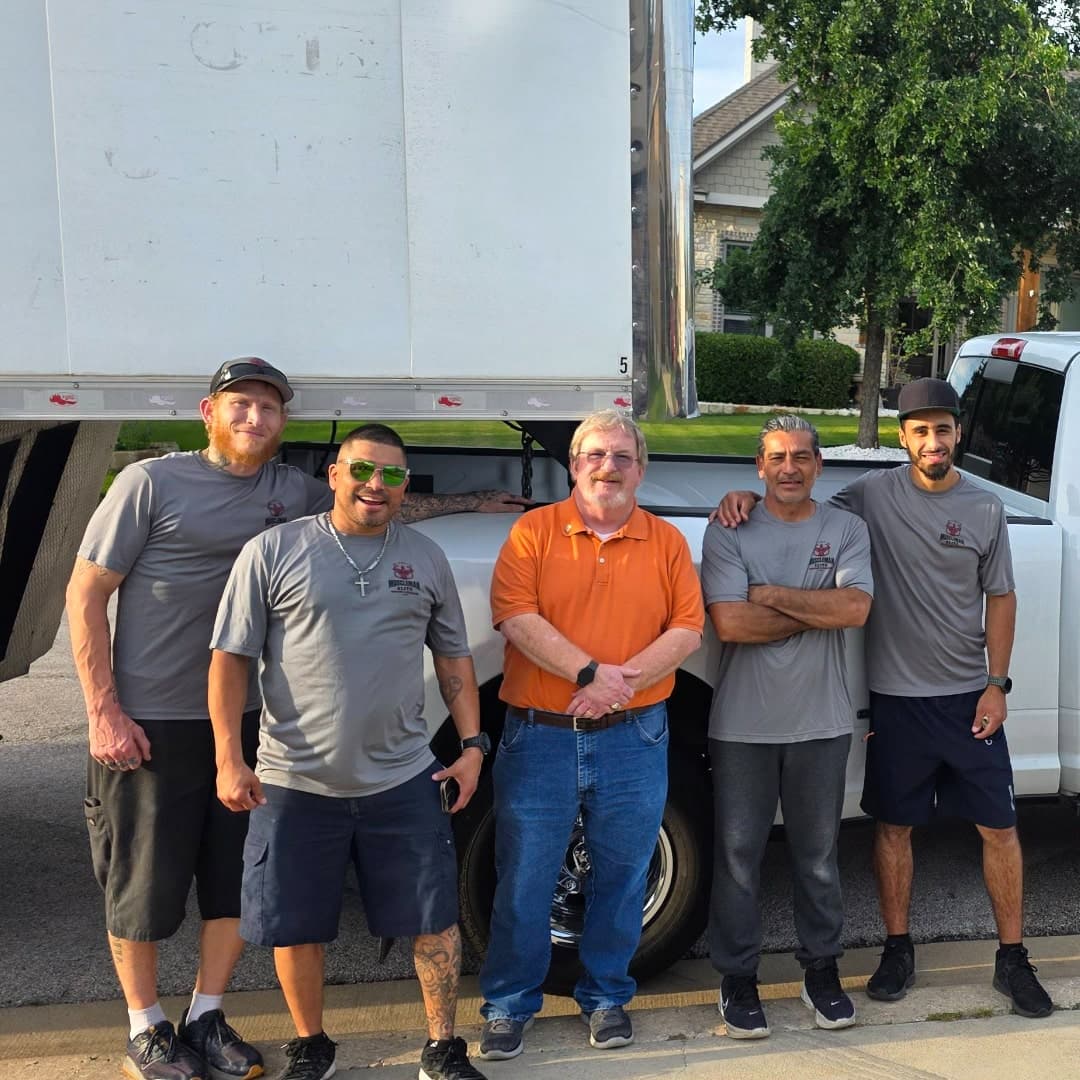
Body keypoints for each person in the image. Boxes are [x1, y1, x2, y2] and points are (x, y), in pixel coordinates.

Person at [67, 358, 528, 1080]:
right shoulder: (149, 484)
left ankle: (206, 1013)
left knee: (231, 882)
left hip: (260, 720)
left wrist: (476, 498)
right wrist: (104, 711)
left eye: (269, 408)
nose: (255, 418)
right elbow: (85, 594)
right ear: (208, 412)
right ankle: (145, 1025)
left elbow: (380, 502)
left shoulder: (293, 492)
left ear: (287, 424)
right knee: (142, 881)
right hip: (153, 714)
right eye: (240, 405)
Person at [713, 379, 1053, 1020]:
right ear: (902, 438)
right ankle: (898, 951)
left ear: (958, 435)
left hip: (967, 698)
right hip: (895, 700)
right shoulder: (867, 497)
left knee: (1000, 828)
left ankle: (1013, 959)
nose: (933, 441)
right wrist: (738, 497)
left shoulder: (983, 510)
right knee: (894, 829)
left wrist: (997, 683)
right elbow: (793, 498)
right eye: (920, 430)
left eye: (943, 429)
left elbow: (1000, 596)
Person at [208, 423, 489, 1080]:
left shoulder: (423, 558)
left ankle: (442, 1049)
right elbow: (229, 660)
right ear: (334, 475)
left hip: (403, 777)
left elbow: (453, 658)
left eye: (393, 475)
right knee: (296, 925)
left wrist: (473, 745)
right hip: (294, 781)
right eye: (362, 470)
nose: (377, 485)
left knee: (434, 919)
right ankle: (312, 1045)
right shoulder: (273, 551)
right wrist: (229, 755)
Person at [477, 410, 704, 1061]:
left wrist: (617, 686)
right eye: (596, 455)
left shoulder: (664, 541)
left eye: (623, 457)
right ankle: (508, 1004)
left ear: (642, 468)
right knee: (524, 876)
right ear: (574, 465)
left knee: (624, 875)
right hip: (541, 736)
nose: (609, 467)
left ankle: (607, 996)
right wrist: (588, 672)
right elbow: (514, 615)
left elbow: (687, 629)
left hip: (634, 737)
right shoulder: (533, 532)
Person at [702, 416, 872, 1039]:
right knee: (738, 858)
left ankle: (820, 972)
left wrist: (768, 593)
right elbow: (731, 626)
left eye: (802, 456)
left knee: (819, 857)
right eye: (777, 457)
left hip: (821, 722)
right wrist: (812, 606)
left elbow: (854, 607)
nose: (790, 467)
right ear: (759, 466)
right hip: (743, 726)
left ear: (819, 465)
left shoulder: (845, 528)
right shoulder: (730, 528)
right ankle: (737, 979)